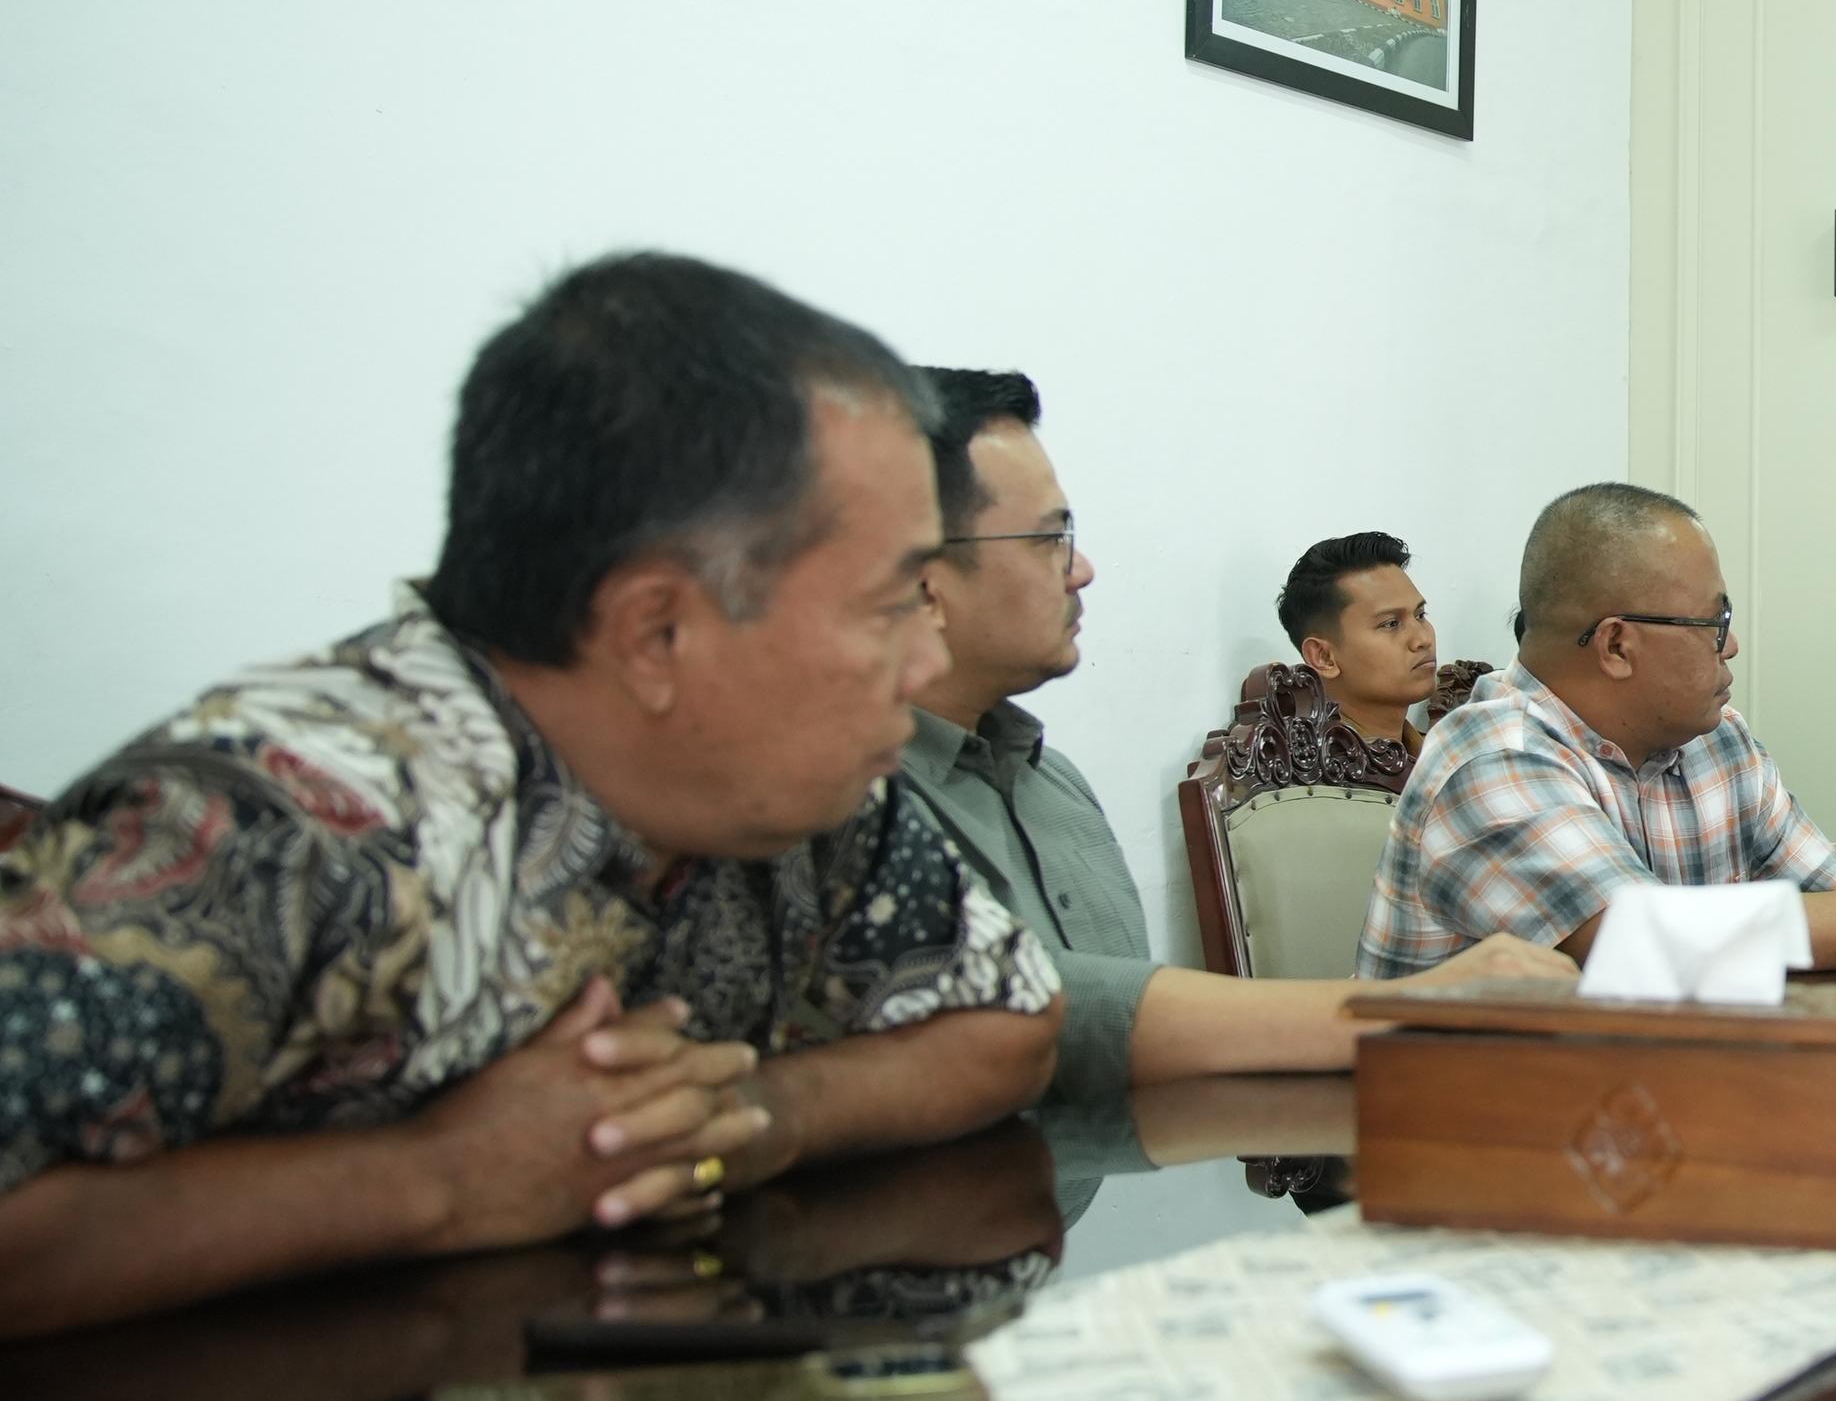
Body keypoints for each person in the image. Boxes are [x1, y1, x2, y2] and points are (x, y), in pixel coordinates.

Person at [0, 255, 1066, 1340]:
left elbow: (1006, 1020)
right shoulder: (289, 821)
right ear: (658, 632)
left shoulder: (795, 782)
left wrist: (738, 1116)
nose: (924, 662)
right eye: (892, 601)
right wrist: (439, 1179)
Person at [898, 372, 1572, 1109]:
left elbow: (1096, 1062)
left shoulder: (1052, 786)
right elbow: (1051, 1013)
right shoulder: (849, 801)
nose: (1082, 568)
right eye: (1049, 538)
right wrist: (1407, 1010)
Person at [1362, 483, 1836, 974]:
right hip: (1464, 1133)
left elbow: (1828, 884)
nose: (1732, 648)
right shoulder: (1494, 758)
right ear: (1615, 646)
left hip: (1643, 1099)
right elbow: (1643, 943)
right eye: (1714, 624)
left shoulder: (1712, 737)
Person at [1222, 532, 1490, 797]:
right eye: (1390, 624)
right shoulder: (1315, 789)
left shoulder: (1442, 758)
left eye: (1421, 614)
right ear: (1324, 657)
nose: (1422, 639)